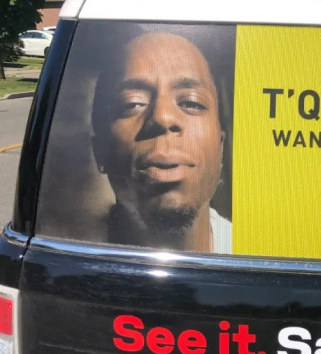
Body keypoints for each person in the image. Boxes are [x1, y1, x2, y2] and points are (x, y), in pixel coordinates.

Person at [91, 32, 231, 253]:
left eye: (192, 102)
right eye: (132, 103)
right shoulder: (60, 259)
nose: (162, 117)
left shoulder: (262, 257)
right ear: (100, 151)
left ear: (221, 147)